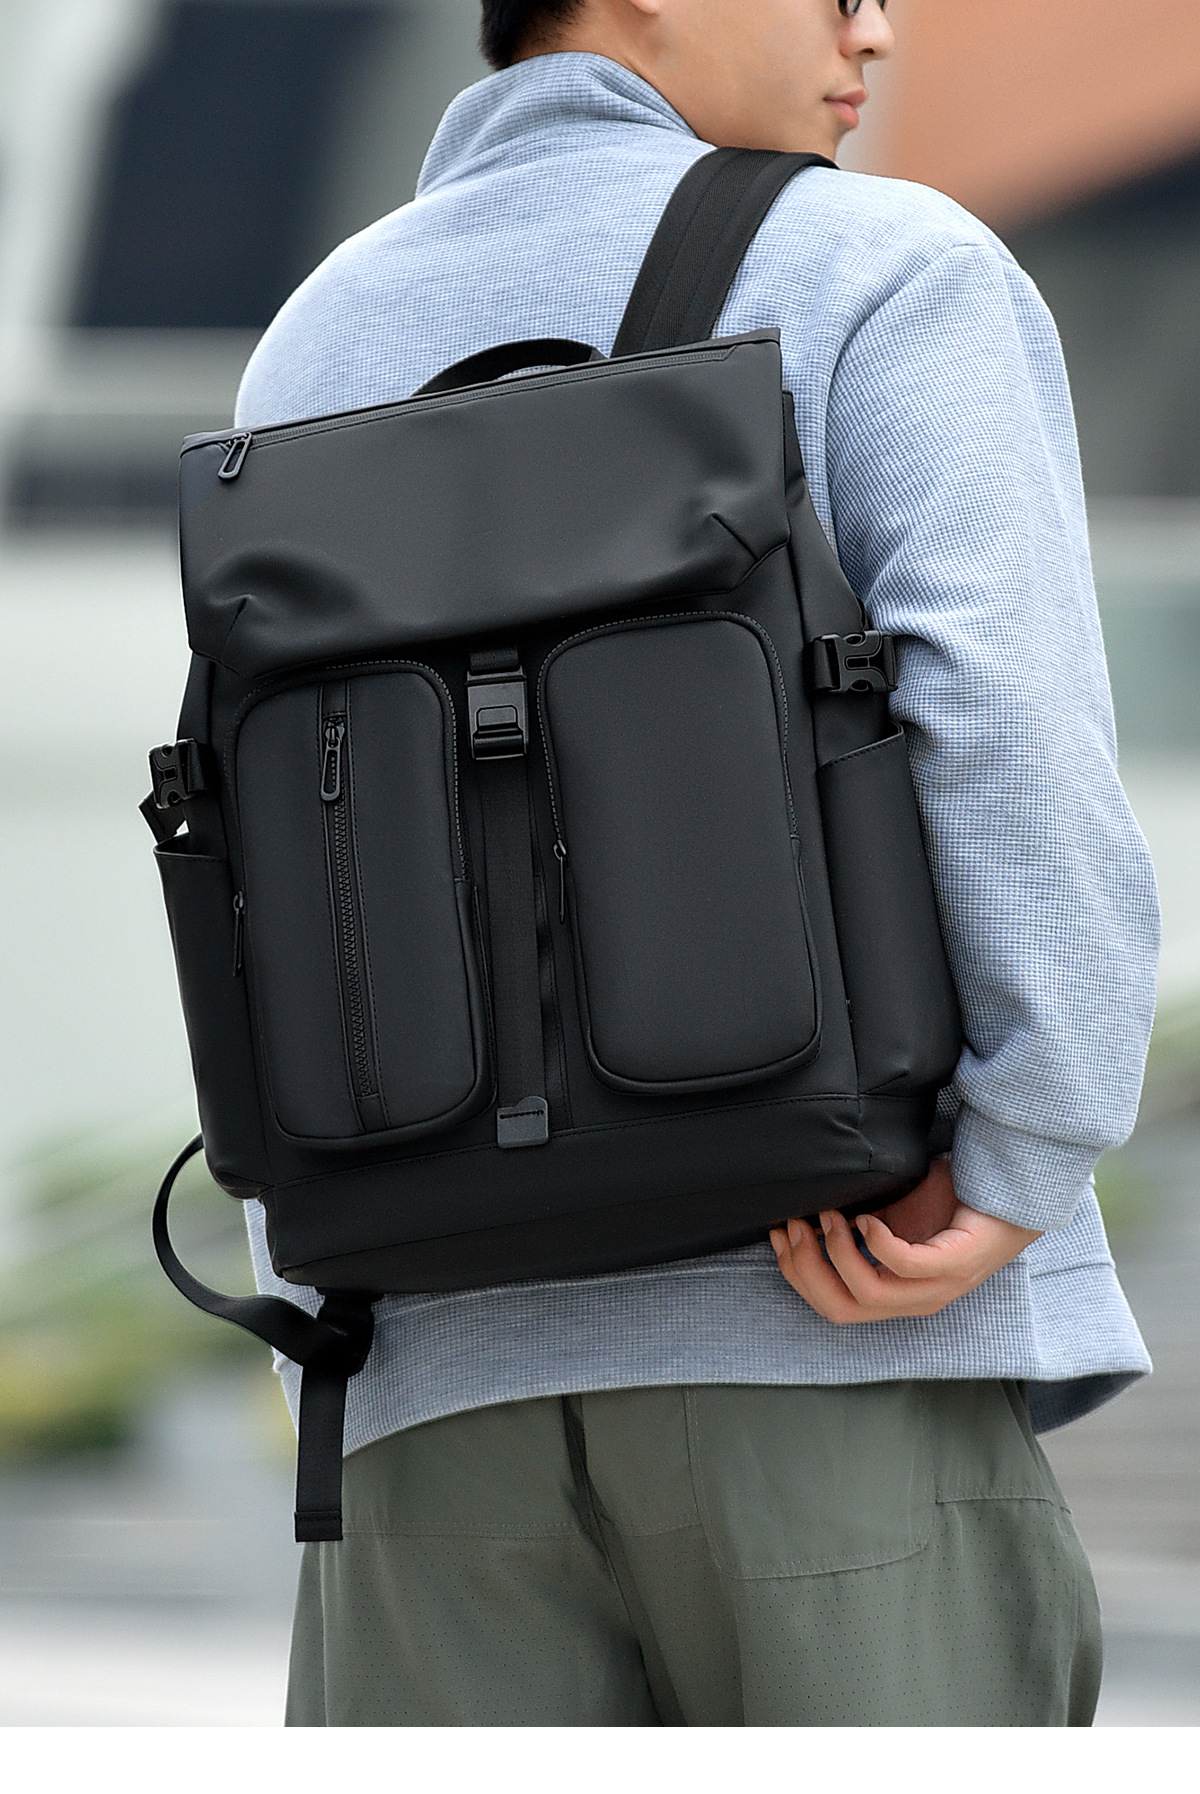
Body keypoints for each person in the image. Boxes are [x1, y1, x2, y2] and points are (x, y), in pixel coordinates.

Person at [235, 0, 1159, 1725]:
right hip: (826, 1314)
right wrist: (1026, 1150)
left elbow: (271, 846)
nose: (876, 34)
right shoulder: (880, 264)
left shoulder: (314, 336)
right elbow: (1002, 717)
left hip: (419, 1390)